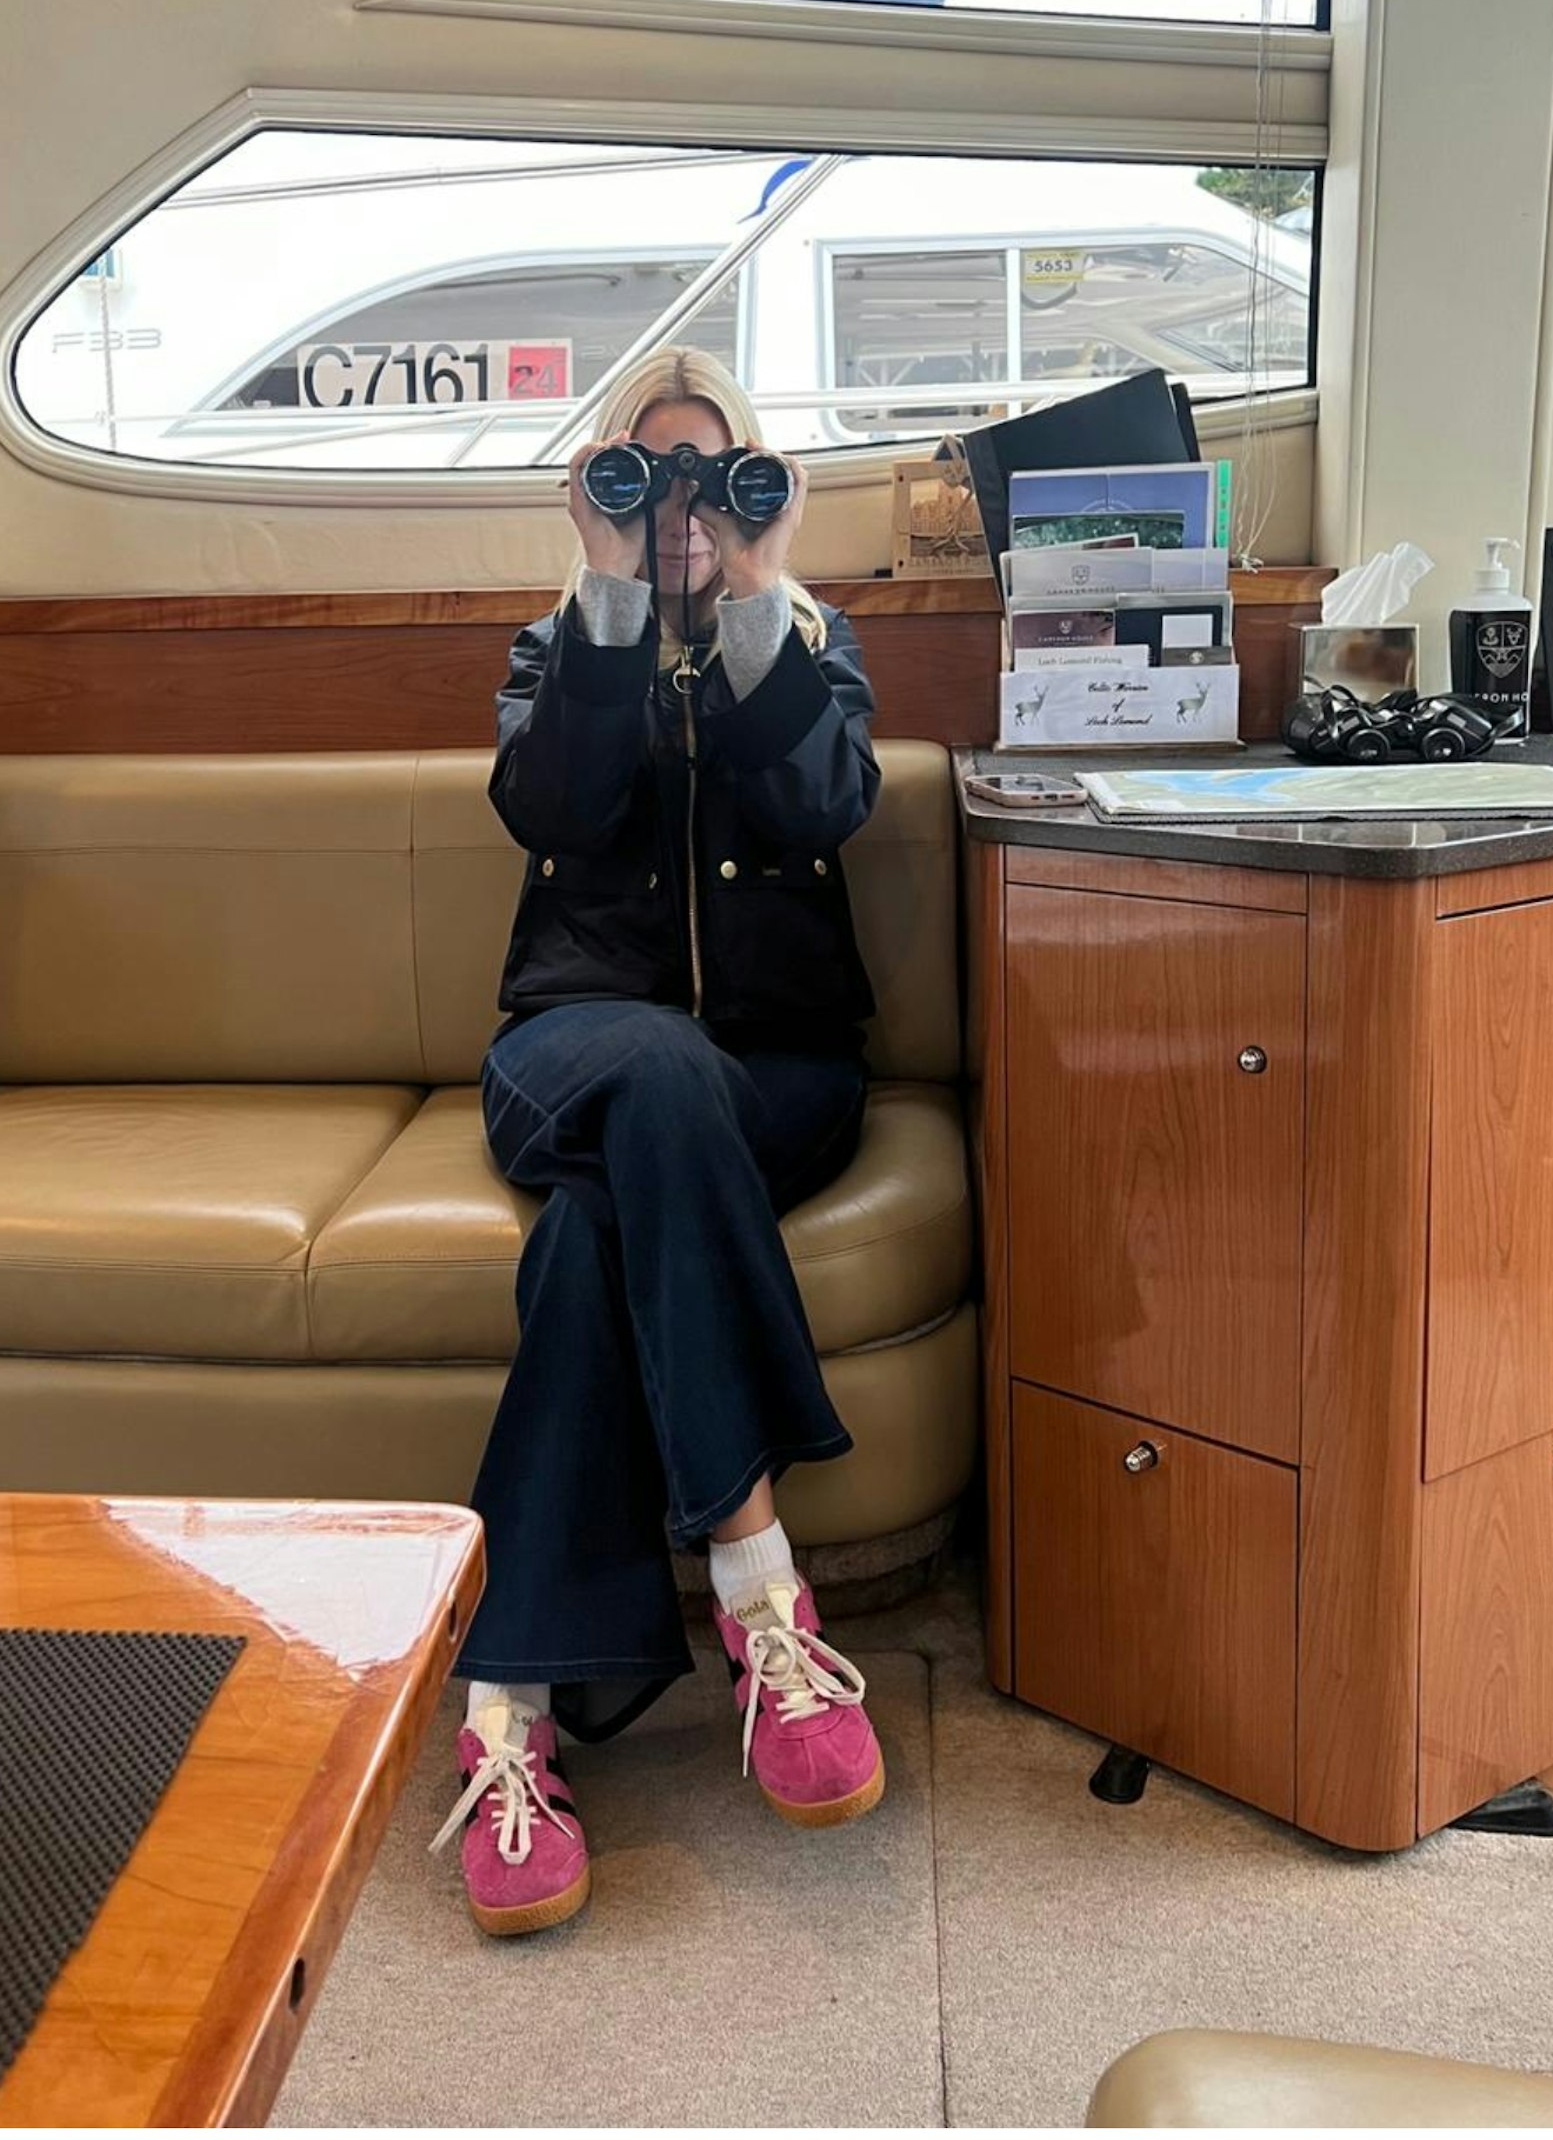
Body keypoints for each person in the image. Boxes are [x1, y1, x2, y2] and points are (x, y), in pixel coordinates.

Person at [435, 347, 888, 1937]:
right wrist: (611, 598)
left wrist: (756, 590)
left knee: (588, 1235)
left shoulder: (817, 650)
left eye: (718, 476)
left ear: (761, 491)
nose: (685, 506)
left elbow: (825, 808)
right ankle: (760, 1583)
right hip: (570, 1051)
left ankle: (512, 1700)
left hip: (775, 1081)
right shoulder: (554, 649)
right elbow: (549, 800)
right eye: (650, 474)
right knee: (651, 1073)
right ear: (605, 493)